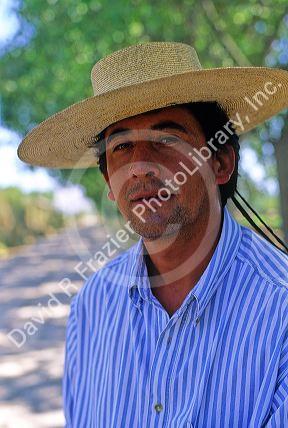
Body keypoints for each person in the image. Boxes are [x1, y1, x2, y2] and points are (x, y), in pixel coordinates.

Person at [18, 42, 288, 427]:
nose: (141, 167)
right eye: (122, 146)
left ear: (221, 162)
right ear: (109, 183)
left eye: (167, 139)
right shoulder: (92, 307)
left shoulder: (280, 309)